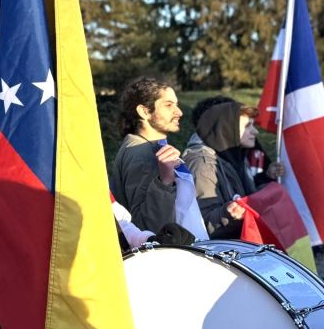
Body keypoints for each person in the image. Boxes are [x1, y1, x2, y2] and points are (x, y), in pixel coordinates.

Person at [183, 98, 282, 238]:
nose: (255, 132)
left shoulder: (234, 156)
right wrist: (229, 214)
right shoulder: (203, 163)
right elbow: (201, 223)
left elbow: (246, 195)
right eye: (247, 126)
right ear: (227, 129)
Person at [108, 77, 187, 233]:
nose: (179, 112)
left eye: (176, 105)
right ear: (144, 112)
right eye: (168, 105)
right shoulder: (143, 154)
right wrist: (165, 182)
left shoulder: (141, 148)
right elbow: (147, 227)